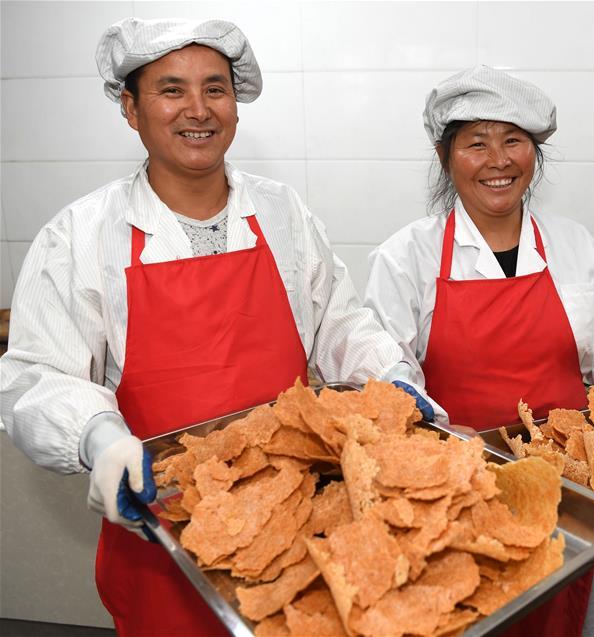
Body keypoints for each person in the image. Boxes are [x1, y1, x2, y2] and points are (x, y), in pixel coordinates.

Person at [0, 18, 430, 637]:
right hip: (161, 530)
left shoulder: (281, 213)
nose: (198, 110)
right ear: (130, 108)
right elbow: (37, 376)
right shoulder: (81, 235)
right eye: (171, 90)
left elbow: (339, 323)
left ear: (235, 103)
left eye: (215, 89)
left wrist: (390, 376)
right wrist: (98, 437)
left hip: (297, 529)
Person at [364, 65, 594, 636]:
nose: (498, 160)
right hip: (457, 491)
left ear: (535, 153)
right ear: (444, 157)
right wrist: (435, 431)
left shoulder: (573, 244)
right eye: (476, 143)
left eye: (513, 140)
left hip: (573, 497)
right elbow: (388, 372)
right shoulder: (406, 257)